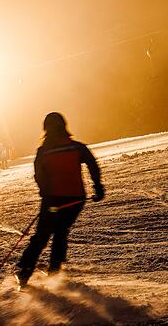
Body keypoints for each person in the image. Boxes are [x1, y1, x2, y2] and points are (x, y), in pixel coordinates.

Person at [16, 112, 104, 288]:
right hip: (75, 200)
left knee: (42, 235)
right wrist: (98, 187)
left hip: (53, 201)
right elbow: (92, 164)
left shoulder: (43, 151)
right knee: (61, 231)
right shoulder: (76, 147)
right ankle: (54, 269)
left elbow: (39, 175)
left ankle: (25, 271)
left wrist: (44, 192)